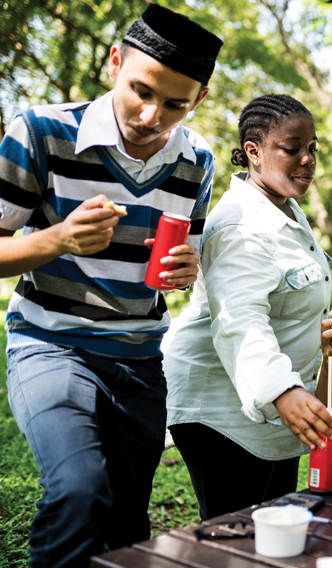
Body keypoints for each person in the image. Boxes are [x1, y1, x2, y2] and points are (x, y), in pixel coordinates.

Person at [0, 5, 222, 566]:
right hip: (51, 344)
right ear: (115, 63)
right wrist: (57, 241)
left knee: (127, 519)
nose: (152, 115)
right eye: (141, 91)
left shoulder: (196, 161)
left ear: (196, 99)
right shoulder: (40, 133)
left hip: (140, 360)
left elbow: (177, 262)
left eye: (175, 103)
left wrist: (185, 271)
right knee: (78, 489)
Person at [164, 94, 332, 520]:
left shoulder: (284, 209)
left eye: (313, 148)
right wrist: (283, 392)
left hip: (275, 410)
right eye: (292, 148)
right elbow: (241, 321)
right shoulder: (239, 225)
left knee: (276, 526)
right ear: (253, 151)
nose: (307, 159)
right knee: (237, 535)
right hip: (221, 412)